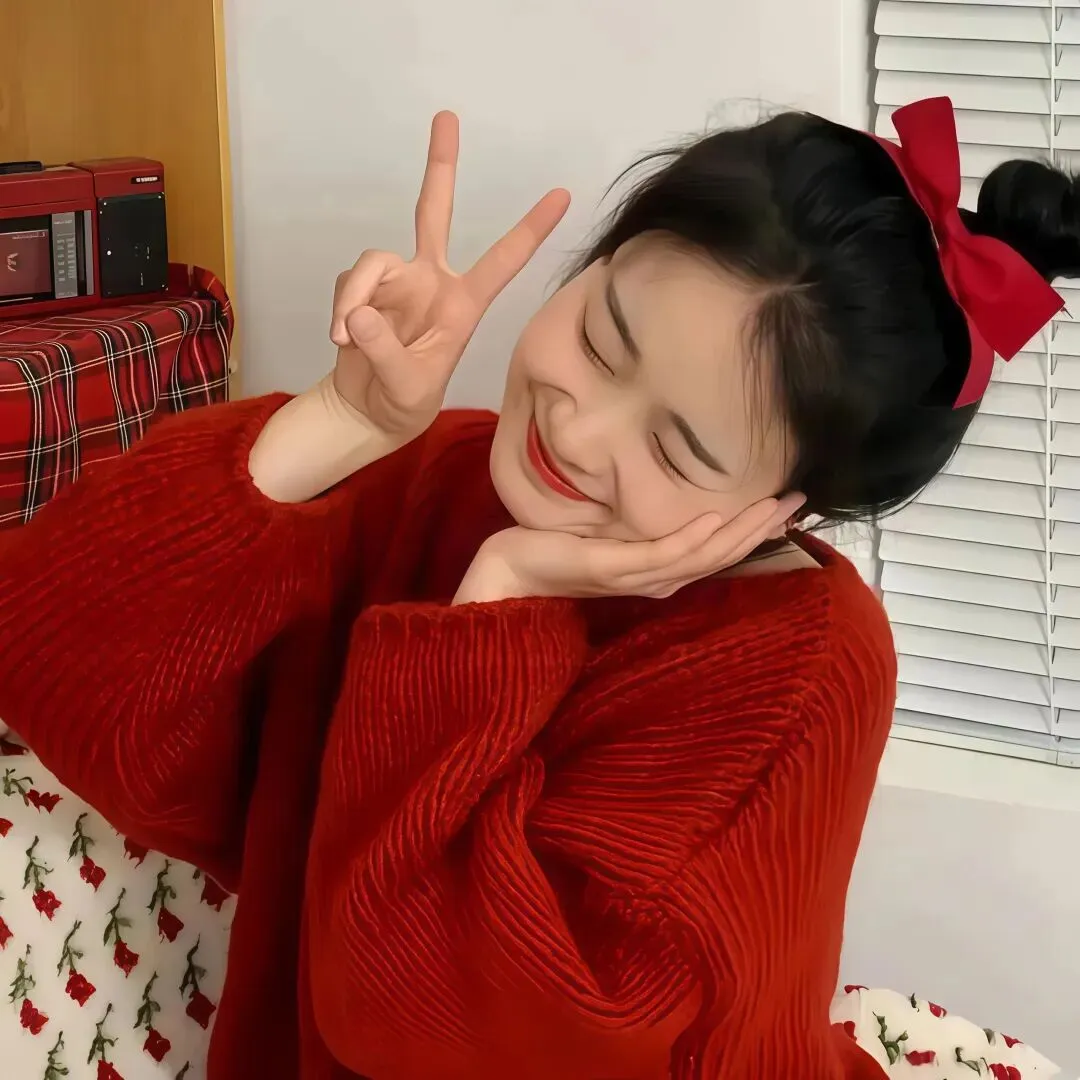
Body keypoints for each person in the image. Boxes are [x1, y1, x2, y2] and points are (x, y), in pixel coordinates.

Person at [0, 97, 1069, 1080]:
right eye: (601, 339)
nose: (577, 429)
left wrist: (495, 613)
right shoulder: (445, 475)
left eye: (679, 450)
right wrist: (340, 422)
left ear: (787, 506)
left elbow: (421, 1025)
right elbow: (53, 667)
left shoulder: (800, 672)